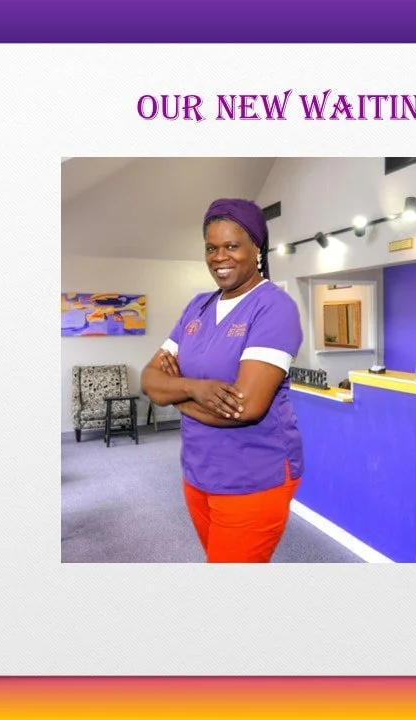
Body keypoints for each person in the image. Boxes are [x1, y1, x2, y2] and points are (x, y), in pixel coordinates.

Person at [141, 198, 304, 563]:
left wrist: (171, 395)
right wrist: (193, 388)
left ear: (256, 249)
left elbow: (244, 408)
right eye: (211, 248)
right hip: (198, 471)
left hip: (253, 478)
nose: (220, 257)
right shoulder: (198, 305)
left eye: (232, 246)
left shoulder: (274, 307)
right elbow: (149, 378)